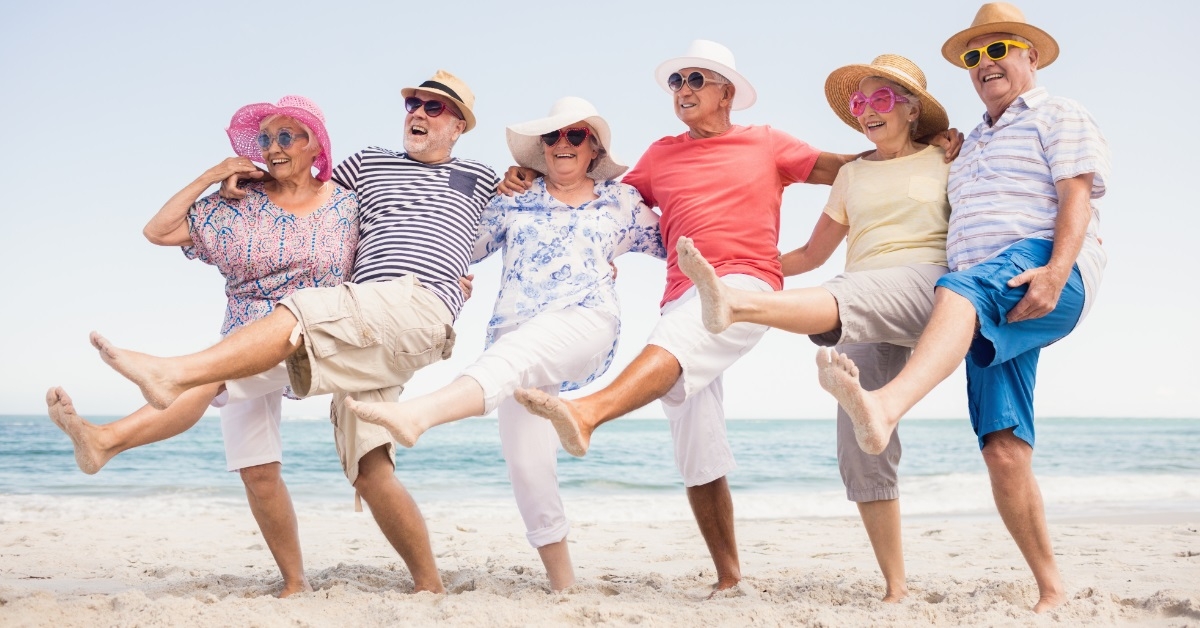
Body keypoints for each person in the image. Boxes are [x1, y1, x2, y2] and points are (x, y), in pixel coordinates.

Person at [503, 40, 961, 593]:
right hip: (682, 292)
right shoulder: (659, 156)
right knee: (696, 440)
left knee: (680, 339)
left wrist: (930, 143)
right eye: (677, 81)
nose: (684, 89)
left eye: (697, 79)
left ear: (727, 93)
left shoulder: (766, 143)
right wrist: (527, 176)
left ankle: (588, 412)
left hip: (745, 285)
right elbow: (596, 199)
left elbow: (854, 164)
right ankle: (729, 576)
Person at [89, 70, 498, 595]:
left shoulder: (481, 179)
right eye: (412, 104)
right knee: (368, 467)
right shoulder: (365, 169)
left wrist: (455, 276)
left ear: (460, 125)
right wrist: (236, 179)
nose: (418, 113)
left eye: (434, 107)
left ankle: (167, 377)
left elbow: (519, 213)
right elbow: (299, 185)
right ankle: (427, 587)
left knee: (279, 326)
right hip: (349, 325)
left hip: (387, 311)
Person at [815, 3, 1110, 613]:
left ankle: (885, 406)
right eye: (974, 56)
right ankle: (1052, 589)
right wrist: (941, 140)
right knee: (1003, 448)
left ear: (1031, 56)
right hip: (989, 303)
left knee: (953, 288)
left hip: (1034, 267)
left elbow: (1075, 193)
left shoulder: (1058, 113)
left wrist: (1058, 271)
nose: (984, 62)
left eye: (998, 49)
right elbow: (903, 163)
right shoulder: (966, 143)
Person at [348, 97, 665, 591]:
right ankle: (564, 586)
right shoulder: (514, 198)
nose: (562, 143)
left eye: (575, 135)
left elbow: (676, 241)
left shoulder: (618, 202)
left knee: (515, 355)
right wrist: (448, 279)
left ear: (594, 150)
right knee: (527, 465)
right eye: (552, 136)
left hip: (586, 319)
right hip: (512, 334)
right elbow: (455, 247)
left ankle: (420, 415)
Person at [47, 95, 355, 597]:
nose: (272, 148)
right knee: (257, 471)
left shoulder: (347, 202)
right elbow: (158, 230)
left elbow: (391, 247)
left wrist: (449, 280)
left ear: (315, 143)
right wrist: (213, 175)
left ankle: (113, 434)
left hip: (318, 333)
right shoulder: (240, 203)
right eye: (264, 139)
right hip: (239, 340)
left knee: (207, 375)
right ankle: (295, 583)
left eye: (285, 136)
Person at [675, 53, 950, 603]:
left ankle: (737, 306)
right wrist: (743, 267)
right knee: (863, 440)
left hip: (924, 288)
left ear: (912, 110)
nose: (867, 110)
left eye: (881, 98)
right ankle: (896, 587)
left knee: (841, 294)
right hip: (861, 303)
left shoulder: (947, 159)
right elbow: (811, 253)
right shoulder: (852, 174)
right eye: (860, 102)